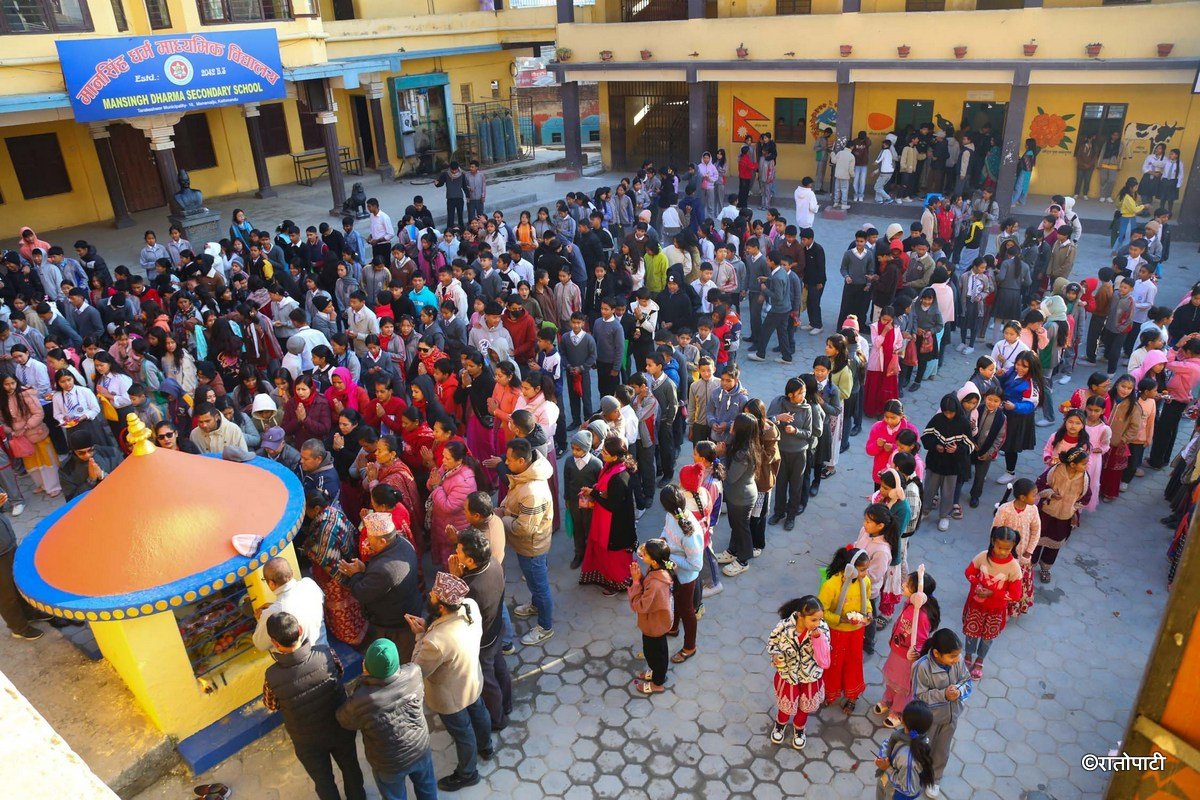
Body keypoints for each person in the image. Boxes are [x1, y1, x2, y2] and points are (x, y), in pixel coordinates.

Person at [261, 612, 367, 800]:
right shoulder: (325, 653)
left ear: (275, 643)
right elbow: (339, 672)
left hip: (307, 742)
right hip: (340, 725)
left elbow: (271, 704)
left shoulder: (272, 676)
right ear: (300, 631)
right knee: (351, 768)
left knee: (324, 781)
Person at [405, 571, 492, 791]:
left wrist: (419, 635)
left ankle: (468, 772)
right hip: (472, 680)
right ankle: (487, 746)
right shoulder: (469, 606)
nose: (430, 596)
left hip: (450, 697)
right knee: (479, 712)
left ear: (442, 607)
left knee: (463, 732)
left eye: (434, 595)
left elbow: (417, 670)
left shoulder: (435, 641)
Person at [336, 638, 436, 800]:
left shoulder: (361, 698)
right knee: (427, 786)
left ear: (366, 667)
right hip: (420, 748)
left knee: (394, 796)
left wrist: (362, 682)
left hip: (388, 764)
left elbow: (344, 720)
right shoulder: (414, 673)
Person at [448, 528, 512, 732]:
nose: (455, 554)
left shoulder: (471, 586)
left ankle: (498, 719)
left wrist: (455, 579)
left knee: (487, 680)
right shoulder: (493, 563)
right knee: (500, 667)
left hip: (482, 641)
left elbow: (455, 610)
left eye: (459, 551)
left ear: (469, 561)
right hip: (496, 630)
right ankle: (507, 704)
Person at [338, 512, 424, 661]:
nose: (367, 543)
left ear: (383, 541)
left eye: (370, 540)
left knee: (396, 659)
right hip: (409, 606)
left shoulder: (385, 569)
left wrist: (355, 574)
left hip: (394, 624)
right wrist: (364, 568)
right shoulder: (403, 543)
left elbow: (361, 592)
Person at [499, 437, 556, 645]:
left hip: (532, 546)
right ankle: (535, 605)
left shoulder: (532, 492)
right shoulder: (523, 476)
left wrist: (502, 518)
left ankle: (545, 626)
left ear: (522, 461)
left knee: (540, 587)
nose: (506, 463)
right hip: (525, 546)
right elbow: (513, 493)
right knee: (534, 583)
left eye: (509, 459)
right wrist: (504, 507)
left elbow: (524, 528)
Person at [911, 628, 971, 799]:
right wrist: (944, 694)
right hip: (929, 719)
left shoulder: (957, 662)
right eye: (952, 656)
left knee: (942, 750)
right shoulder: (921, 667)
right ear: (937, 653)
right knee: (923, 747)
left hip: (951, 717)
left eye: (958, 655)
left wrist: (958, 691)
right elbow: (919, 696)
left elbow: (966, 680)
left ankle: (934, 779)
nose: (957, 659)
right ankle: (915, 774)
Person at [874, 570, 938, 731]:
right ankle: (888, 699)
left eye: (908, 585)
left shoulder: (921, 615)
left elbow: (921, 639)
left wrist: (914, 653)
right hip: (896, 650)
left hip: (907, 657)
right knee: (892, 676)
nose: (903, 585)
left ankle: (898, 711)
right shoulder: (909, 604)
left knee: (903, 685)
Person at [766, 595, 830, 751]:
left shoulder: (822, 629)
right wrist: (776, 656)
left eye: (820, 619)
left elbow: (825, 656)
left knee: (804, 707)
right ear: (801, 616)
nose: (817, 623)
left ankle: (799, 728)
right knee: (786, 702)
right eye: (813, 620)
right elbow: (772, 643)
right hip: (788, 675)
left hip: (810, 677)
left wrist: (818, 639)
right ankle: (780, 724)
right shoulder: (783, 627)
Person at [962, 526, 1022, 681]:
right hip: (976, 606)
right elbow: (969, 572)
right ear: (992, 541)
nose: (1002, 551)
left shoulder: (1014, 567)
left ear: (1013, 547)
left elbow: (1016, 595)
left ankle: (980, 660)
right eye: (999, 547)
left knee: (987, 638)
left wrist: (993, 593)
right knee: (971, 632)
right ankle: (968, 656)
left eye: (1007, 549)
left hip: (995, 610)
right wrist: (977, 584)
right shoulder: (982, 557)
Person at [818, 545, 873, 714]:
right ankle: (829, 693)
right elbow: (821, 611)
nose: (865, 574)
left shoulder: (865, 582)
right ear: (850, 568)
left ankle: (852, 696)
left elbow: (868, 600)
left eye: (866, 569)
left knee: (853, 662)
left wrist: (869, 613)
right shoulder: (832, 585)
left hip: (856, 633)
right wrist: (839, 619)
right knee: (833, 664)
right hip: (836, 633)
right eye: (862, 570)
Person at [579, 435, 637, 595]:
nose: (602, 454)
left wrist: (595, 494)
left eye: (605, 452)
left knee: (614, 557)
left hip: (615, 525)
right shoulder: (615, 466)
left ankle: (618, 584)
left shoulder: (619, 478)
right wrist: (594, 490)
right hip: (608, 519)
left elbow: (613, 504)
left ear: (615, 456)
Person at [1030, 446, 1091, 584]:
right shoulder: (1055, 471)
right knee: (1036, 540)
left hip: (1064, 518)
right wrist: (1050, 494)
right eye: (1084, 463)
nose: (1087, 466)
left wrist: (1073, 508)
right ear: (1073, 464)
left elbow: (1087, 496)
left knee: (1054, 544)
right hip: (1045, 513)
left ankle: (1045, 568)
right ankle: (1029, 566)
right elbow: (1039, 485)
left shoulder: (1085, 478)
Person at [768, 377, 821, 529]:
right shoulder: (779, 404)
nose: (803, 396)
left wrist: (795, 431)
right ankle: (778, 512)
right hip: (781, 452)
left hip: (799, 454)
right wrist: (778, 418)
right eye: (800, 393)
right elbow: (766, 422)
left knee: (796, 486)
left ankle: (791, 516)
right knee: (780, 484)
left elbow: (809, 433)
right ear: (790, 395)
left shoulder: (807, 409)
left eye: (804, 392)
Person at [628, 538, 677, 695]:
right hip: (657, 623)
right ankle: (657, 673)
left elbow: (640, 605)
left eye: (646, 554)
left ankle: (658, 683)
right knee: (657, 651)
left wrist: (636, 582)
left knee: (654, 653)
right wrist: (641, 576)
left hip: (654, 626)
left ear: (655, 561)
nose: (642, 554)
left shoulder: (657, 583)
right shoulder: (657, 570)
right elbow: (648, 587)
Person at [920, 394, 974, 531]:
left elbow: (970, 446)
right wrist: (935, 445)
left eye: (951, 412)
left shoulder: (964, 424)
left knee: (948, 492)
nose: (948, 415)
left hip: (953, 466)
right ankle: (924, 511)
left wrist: (957, 449)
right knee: (929, 489)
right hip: (935, 463)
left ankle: (944, 516)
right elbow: (926, 436)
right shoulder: (937, 419)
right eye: (946, 412)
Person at [252, 556, 328, 653]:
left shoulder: (272, 614)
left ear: (271, 583)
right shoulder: (309, 583)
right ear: (291, 573)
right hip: (325, 652)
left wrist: (261, 619)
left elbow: (260, 644)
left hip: (302, 662)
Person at [874, 701, 936, 800]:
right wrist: (884, 757)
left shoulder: (907, 759)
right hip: (887, 783)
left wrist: (887, 768)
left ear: (903, 721)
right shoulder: (914, 737)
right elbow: (888, 743)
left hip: (894, 794)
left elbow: (909, 789)